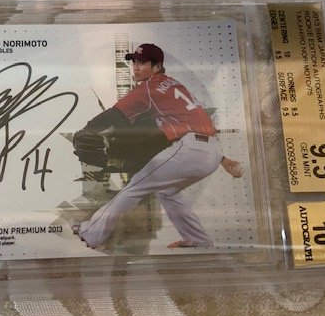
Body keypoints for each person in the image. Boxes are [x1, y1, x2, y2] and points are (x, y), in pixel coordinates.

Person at [73, 43, 243, 249]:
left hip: (191, 149)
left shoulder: (150, 87)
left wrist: (87, 130)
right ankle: (199, 240)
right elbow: (191, 121)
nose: (136, 67)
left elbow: (115, 114)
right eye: (134, 62)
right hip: (211, 151)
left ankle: (91, 234)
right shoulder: (176, 85)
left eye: (142, 63)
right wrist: (222, 159)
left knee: (135, 187)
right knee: (168, 191)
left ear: (156, 67)